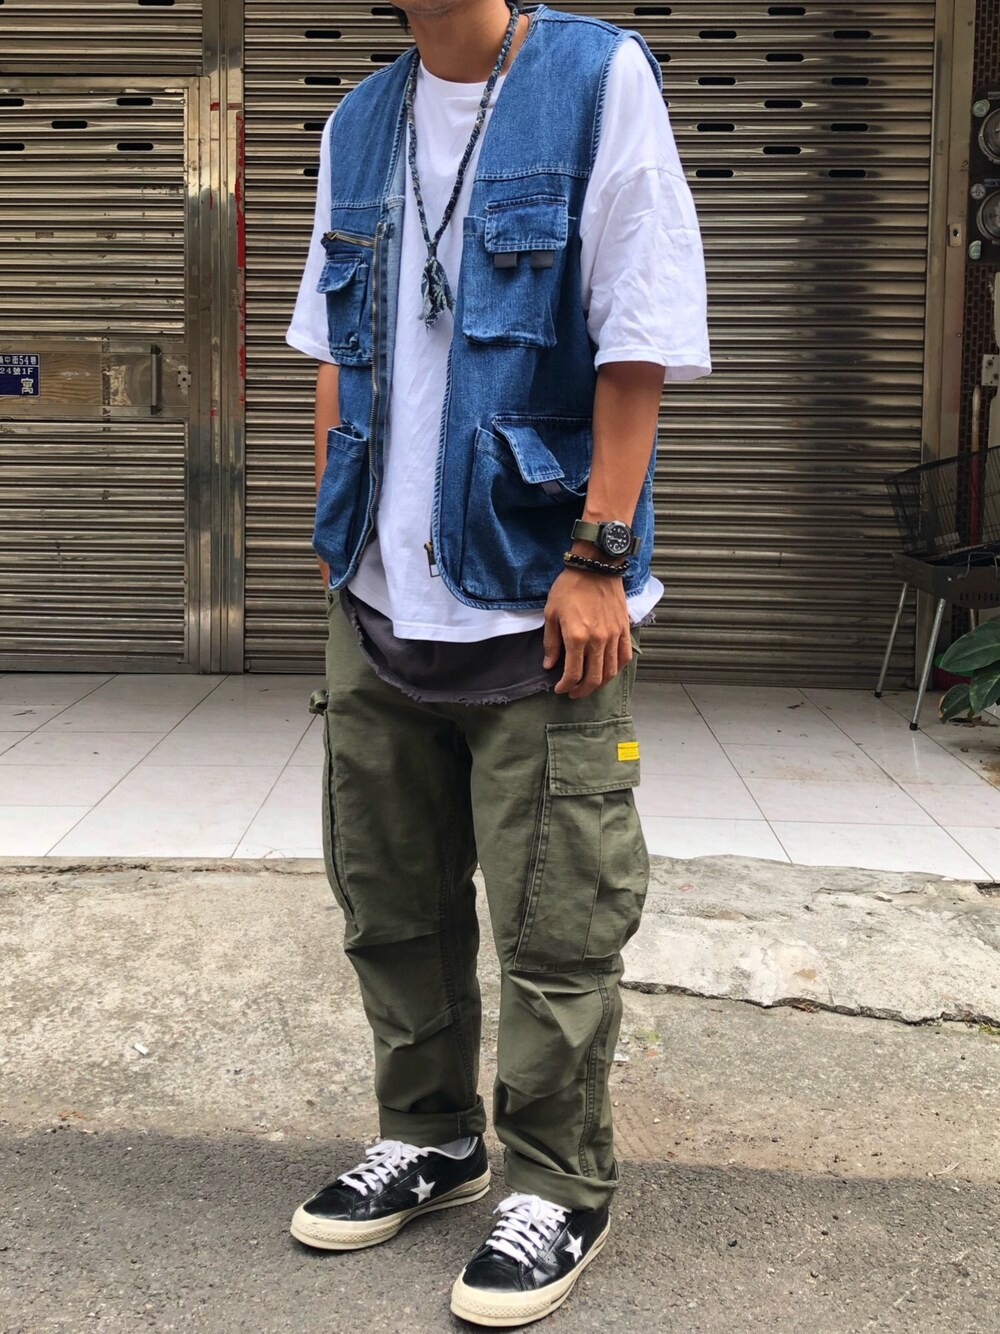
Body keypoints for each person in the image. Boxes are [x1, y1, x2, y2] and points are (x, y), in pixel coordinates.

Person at [285, 0, 710, 1324]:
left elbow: (638, 330)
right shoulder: (359, 121)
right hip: (378, 597)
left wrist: (600, 554)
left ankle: (559, 1181)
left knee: (557, 921)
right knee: (390, 899)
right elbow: (333, 350)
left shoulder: (594, 79)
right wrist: (336, 533)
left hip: (539, 599)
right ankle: (431, 1136)